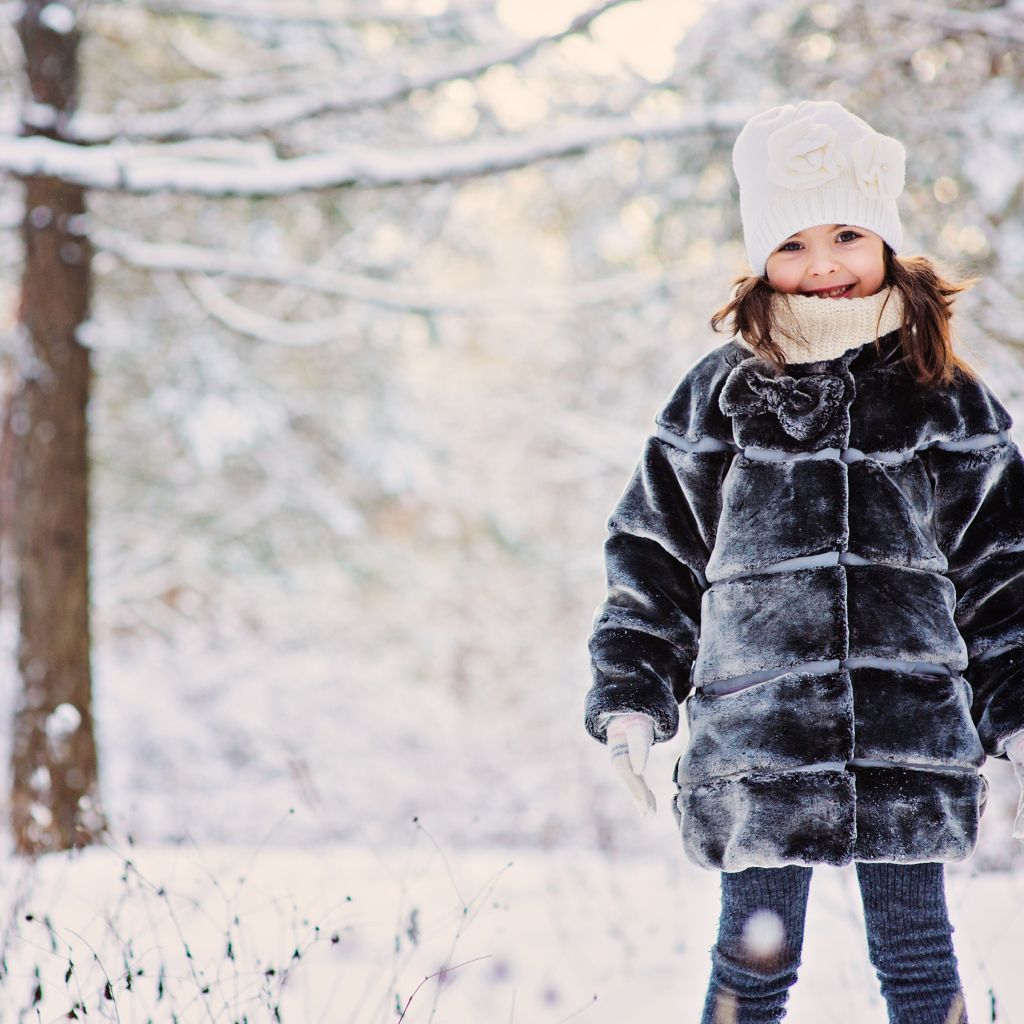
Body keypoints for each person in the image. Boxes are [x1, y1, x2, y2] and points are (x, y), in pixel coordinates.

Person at [584, 100, 1024, 1024]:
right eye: (792, 243)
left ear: (887, 243)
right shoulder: (721, 394)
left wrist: (1017, 705)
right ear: (759, 257)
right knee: (753, 964)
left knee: (915, 959)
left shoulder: (944, 396)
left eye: (846, 234)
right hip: (760, 736)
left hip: (906, 737)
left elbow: (1005, 564)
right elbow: (655, 552)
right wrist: (633, 693)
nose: (822, 263)